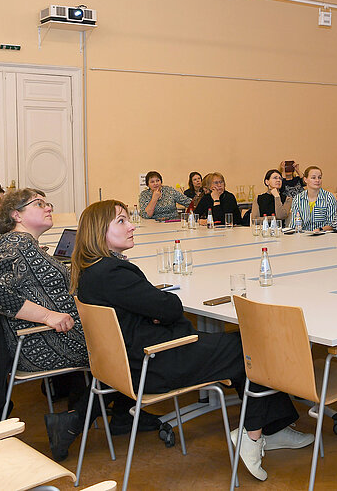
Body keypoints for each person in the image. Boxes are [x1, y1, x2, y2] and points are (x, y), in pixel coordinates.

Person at [72, 200, 311, 481]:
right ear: (99, 232)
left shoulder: (92, 272)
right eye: (121, 221)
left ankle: (274, 427)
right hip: (154, 363)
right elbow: (170, 307)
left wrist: (156, 313)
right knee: (253, 347)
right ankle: (253, 435)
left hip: (130, 364)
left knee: (239, 346)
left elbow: (155, 309)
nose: (131, 226)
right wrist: (160, 313)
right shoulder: (114, 273)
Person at [0, 188, 90, 458]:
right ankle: (87, 417)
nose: (48, 207)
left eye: (47, 203)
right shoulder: (14, 245)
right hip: (42, 343)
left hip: (48, 337)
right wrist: (48, 316)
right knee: (124, 350)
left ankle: (86, 414)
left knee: (124, 342)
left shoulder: (21, 243)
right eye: (39, 204)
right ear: (16, 215)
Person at [289, 166, 337, 232]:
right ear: (305, 179)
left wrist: (320, 229)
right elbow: (294, 224)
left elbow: (333, 224)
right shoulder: (298, 198)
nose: (317, 180)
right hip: (303, 235)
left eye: (319, 177)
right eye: (313, 178)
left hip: (323, 235)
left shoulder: (329, 198)